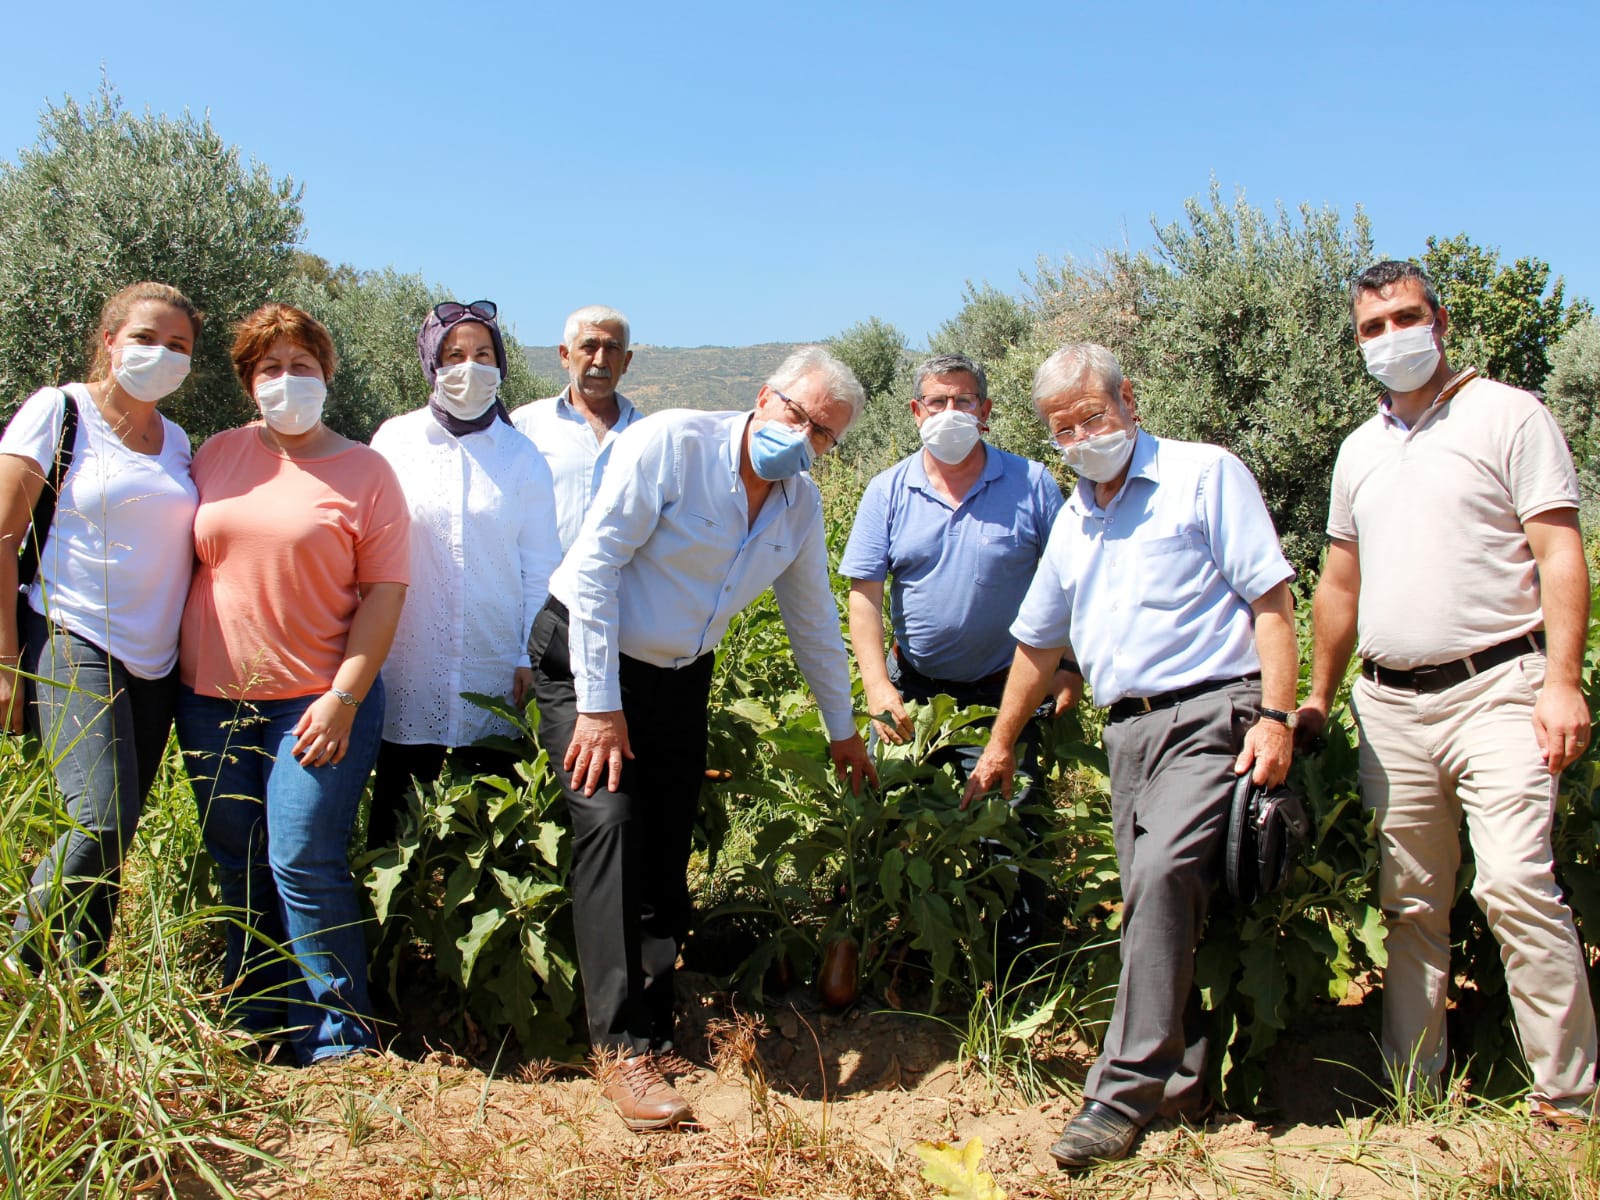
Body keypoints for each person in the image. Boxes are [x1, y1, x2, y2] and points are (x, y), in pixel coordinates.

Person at [963, 343, 1297, 1168]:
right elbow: (1038, 643)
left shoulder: (1204, 474)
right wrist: (1001, 743)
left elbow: (1272, 599)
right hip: (1129, 733)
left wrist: (1279, 716)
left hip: (1214, 712)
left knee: (1158, 882)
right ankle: (1185, 1084)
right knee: (1163, 907)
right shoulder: (1077, 517)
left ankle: (1117, 1098)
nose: (1081, 436)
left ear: (1130, 401)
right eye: (1062, 427)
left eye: (1093, 417)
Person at [530, 345, 877, 1130]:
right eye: (799, 413)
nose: (805, 437)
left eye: (825, 434)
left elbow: (814, 619)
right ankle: (618, 1048)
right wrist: (598, 705)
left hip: (679, 676)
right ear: (764, 396)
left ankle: (654, 1026)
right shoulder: (672, 445)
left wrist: (842, 730)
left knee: (666, 841)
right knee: (610, 823)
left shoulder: (798, 506)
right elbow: (592, 571)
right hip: (588, 654)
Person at [1300, 261, 1599, 1126]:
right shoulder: (1360, 449)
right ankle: (1413, 1086)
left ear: (1441, 320)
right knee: (1410, 899)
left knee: (1513, 882)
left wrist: (1564, 683)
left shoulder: (1510, 415)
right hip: (1389, 704)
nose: (1390, 337)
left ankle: (1569, 1096)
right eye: (1371, 327)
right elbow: (1339, 586)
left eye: (1404, 317)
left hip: (1500, 686)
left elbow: (1560, 556)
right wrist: (1321, 694)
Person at [175, 303, 409, 1065]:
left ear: (326, 373)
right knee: (236, 856)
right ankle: (261, 1018)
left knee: (302, 857)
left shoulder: (367, 471)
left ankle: (343, 1036)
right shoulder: (213, 456)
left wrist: (342, 698)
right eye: (269, 368)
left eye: (300, 366)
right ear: (249, 382)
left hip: (319, 701)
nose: (286, 381)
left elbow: (384, 593)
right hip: (212, 698)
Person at [0, 282, 202, 970]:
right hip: (72, 635)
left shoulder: (176, 441)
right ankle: (15, 966)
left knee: (117, 840)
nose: (161, 354)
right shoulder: (59, 411)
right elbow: (2, 536)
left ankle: (81, 989)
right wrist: (4, 663)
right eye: (146, 338)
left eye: (178, 346)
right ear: (109, 340)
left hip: (157, 662)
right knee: (101, 819)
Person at [838, 352, 1069, 954]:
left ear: (985, 412)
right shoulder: (888, 490)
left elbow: (1070, 580)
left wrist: (1067, 667)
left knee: (1011, 821)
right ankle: (904, 949)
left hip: (1005, 687)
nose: (949, 413)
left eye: (963, 401)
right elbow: (864, 595)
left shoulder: (1032, 483)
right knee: (893, 819)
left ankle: (1017, 964)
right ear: (916, 412)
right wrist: (877, 686)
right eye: (936, 402)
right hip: (911, 685)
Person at [366, 301, 561, 846]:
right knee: (397, 817)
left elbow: (540, 565)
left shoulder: (522, 456)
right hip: (409, 658)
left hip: (495, 660)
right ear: (431, 362)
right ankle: (397, 927)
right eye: (453, 355)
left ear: (500, 364)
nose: (468, 367)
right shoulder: (395, 441)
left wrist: (528, 653)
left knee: (489, 821)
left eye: (482, 354)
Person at [511, 304, 642, 552]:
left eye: (612, 349)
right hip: (543, 588)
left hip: (621, 590)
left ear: (626, 361)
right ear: (565, 355)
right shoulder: (526, 426)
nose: (600, 360)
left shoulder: (647, 434)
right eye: (589, 347)